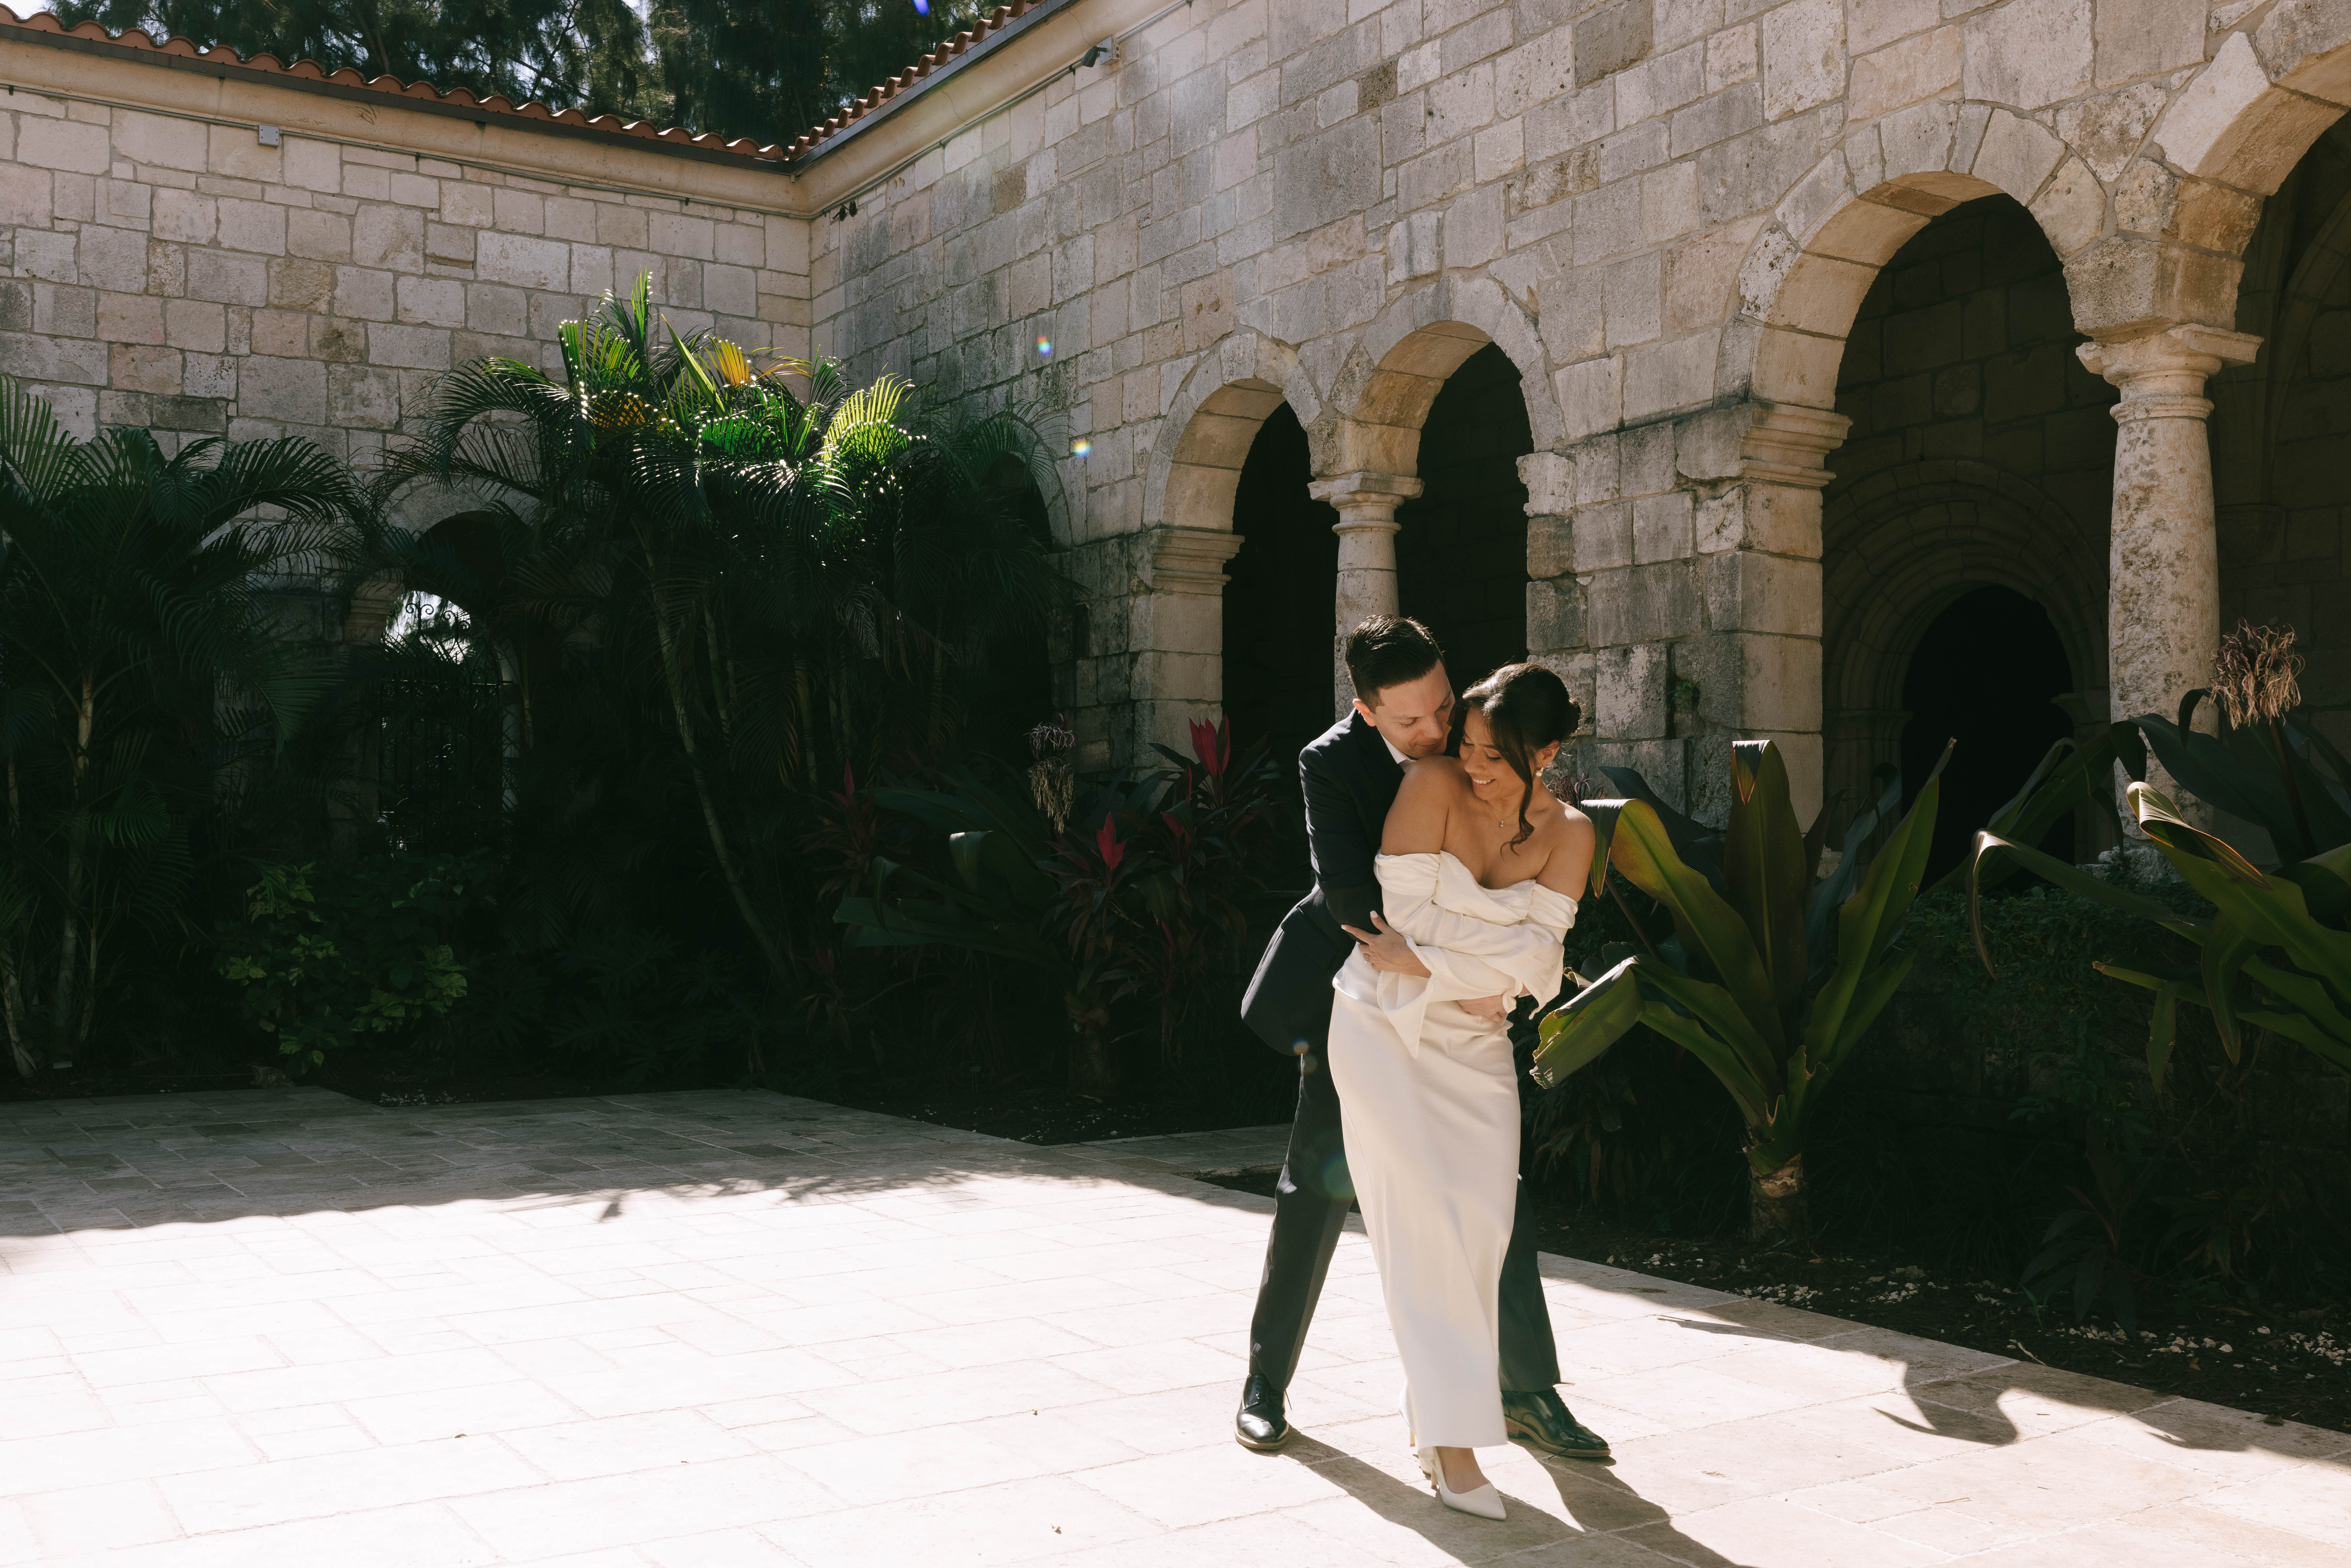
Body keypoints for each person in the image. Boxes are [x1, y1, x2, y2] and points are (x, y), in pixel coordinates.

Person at [1234, 617, 1609, 1478]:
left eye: (1444, 706)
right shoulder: (1330, 763)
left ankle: (1527, 1391)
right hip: (1363, 1004)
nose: (1438, 734)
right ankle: (1266, 1385)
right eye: (1412, 723)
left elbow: (1534, 915)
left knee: (1491, 1195)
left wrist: (1496, 971)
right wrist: (1464, 964)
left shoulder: (1483, 732)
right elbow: (1357, 904)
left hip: (1468, 1018)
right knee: (1315, 1185)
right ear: (1367, 714)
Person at [1329, 661, 1592, 1519]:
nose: (1472, 766)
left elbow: (1544, 964)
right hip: (1381, 1025)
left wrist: (1452, 962)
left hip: (1474, 1038)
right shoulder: (1432, 782)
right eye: (1470, 746)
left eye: (1498, 758)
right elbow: (1398, 924)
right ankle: (1450, 1447)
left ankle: (1432, 1408)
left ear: (1547, 754)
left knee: (1482, 1225)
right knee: (1422, 1228)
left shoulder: (1572, 833)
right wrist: (1489, 958)